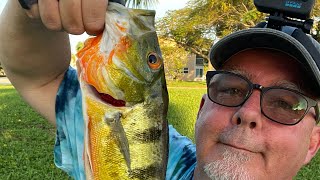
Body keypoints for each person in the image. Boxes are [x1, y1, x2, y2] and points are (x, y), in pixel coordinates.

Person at [1, 0, 320, 179]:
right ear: (201, 109)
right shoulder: (156, 154)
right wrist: (30, 6)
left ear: (313, 144)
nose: (247, 113)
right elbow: (39, 76)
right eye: (231, 89)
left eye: (284, 103)